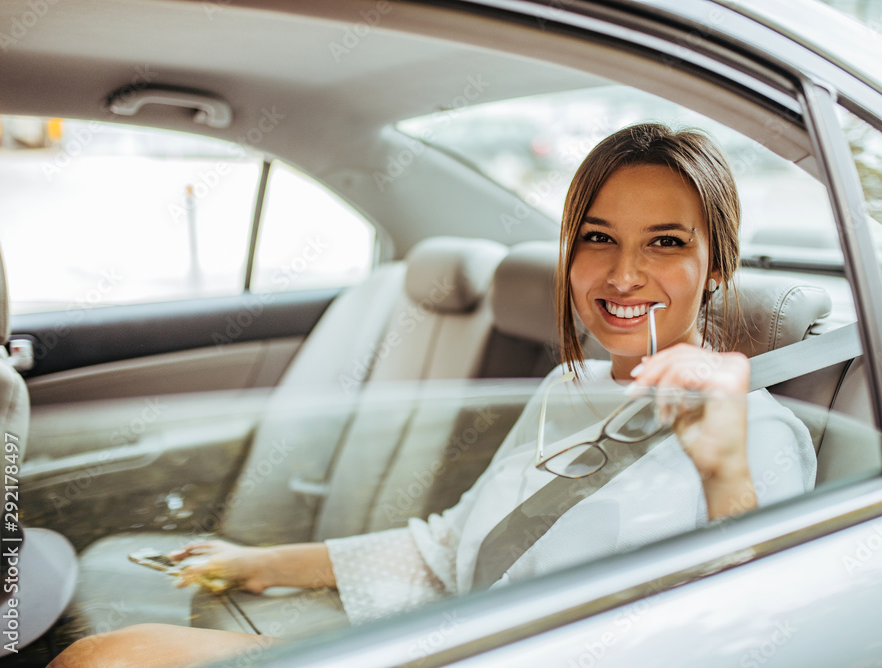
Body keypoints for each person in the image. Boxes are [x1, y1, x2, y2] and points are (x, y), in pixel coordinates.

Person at [48, 124, 815, 667]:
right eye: (597, 237)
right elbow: (453, 549)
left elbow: (754, 633)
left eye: (666, 243)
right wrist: (262, 563)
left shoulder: (755, 433)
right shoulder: (567, 387)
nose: (621, 275)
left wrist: (723, 476)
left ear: (717, 266)